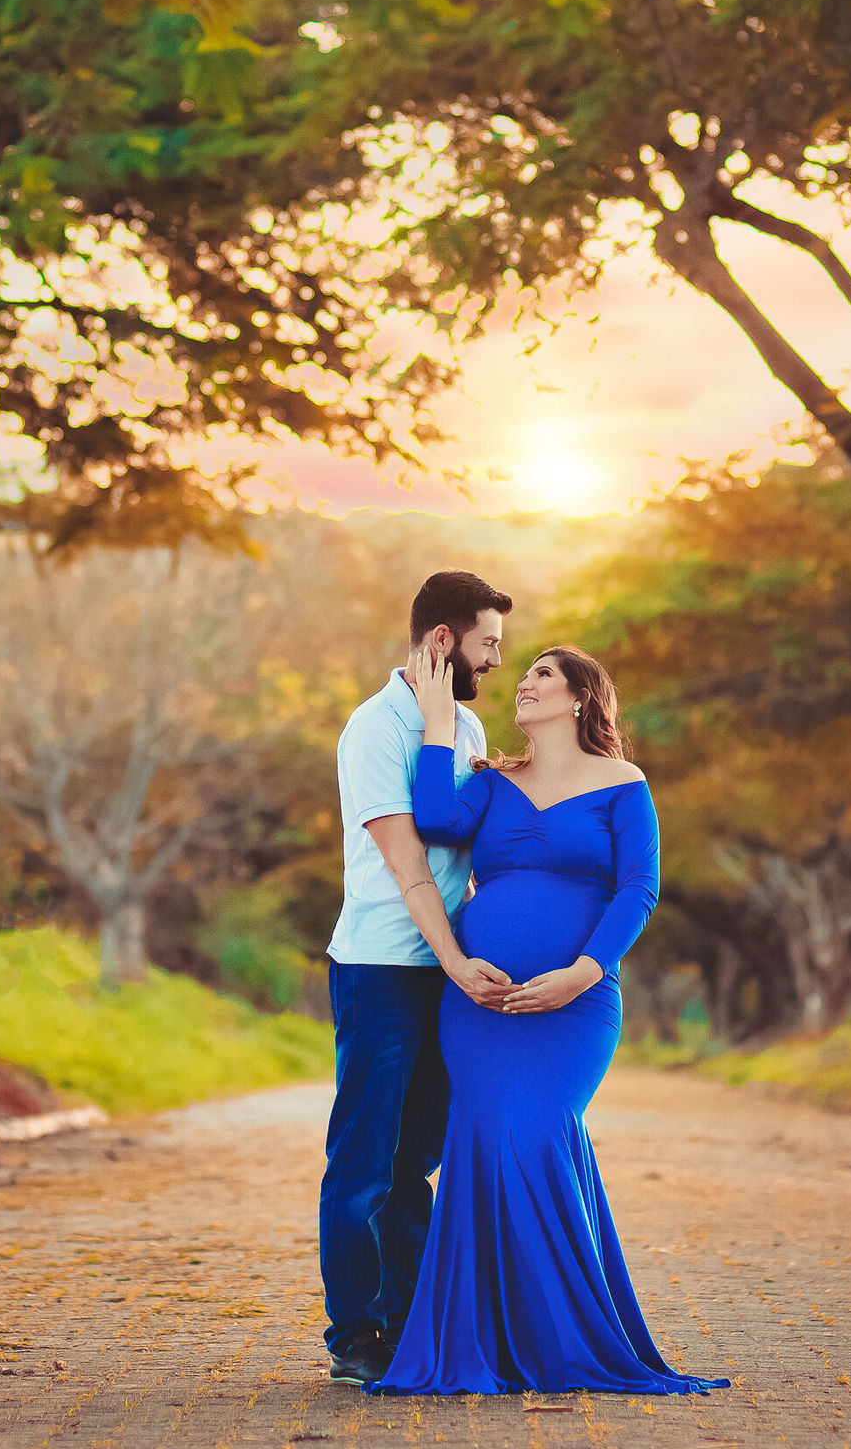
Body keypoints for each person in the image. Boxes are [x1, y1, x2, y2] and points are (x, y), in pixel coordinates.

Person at [367, 644, 732, 1398]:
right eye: (523, 674)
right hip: (481, 1005)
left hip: (578, 1004)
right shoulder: (492, 783)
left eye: (541, 675)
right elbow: (433, 819)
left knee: (533, 1135)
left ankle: (560, 1338)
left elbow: (638, 889)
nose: (522, 684)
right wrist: (440, 725)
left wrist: (580, 972)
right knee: (484, 1142)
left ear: (578, 699)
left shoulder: (623, 785)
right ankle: (494, 1342)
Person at [319, 570, 515, 1386]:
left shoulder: (463, 725)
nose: (498, 661)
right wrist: (457, 961)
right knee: (364, 1158)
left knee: (417, 1159)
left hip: (444, 970)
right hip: (382, 968)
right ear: (445, 640)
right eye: (488, 645)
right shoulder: (374, 729)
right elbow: (409, 869)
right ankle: (356, 1333)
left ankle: (408, 1322)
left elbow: (465, 848)